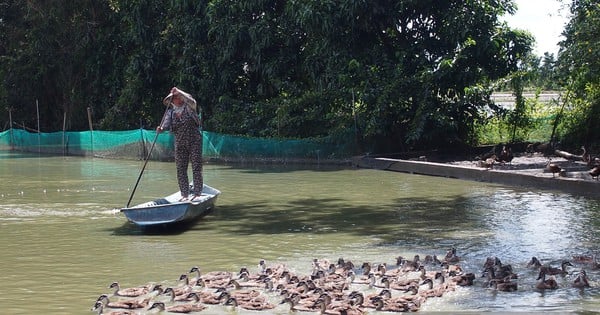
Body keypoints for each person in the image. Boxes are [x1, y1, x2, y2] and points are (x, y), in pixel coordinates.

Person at [157, 87, 203, 201]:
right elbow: (165, 125)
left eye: (178, 97)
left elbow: (193, 101)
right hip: (180, 143)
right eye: (175, 98)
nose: (177, 99)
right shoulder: (170, 112)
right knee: (181, 169)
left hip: (194, 141)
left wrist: (179, 91)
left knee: (196, 167)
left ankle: (197, 193)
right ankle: (185, 195)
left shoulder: (189, 108)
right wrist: (161, 128)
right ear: (172, 101)